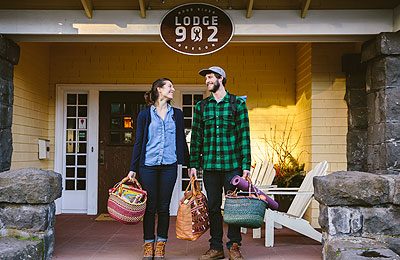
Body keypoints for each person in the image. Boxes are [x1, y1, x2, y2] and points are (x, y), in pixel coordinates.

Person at [189, 66, 251, 260]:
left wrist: (246, 165)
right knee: (213, 207)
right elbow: (196, 137)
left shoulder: (237, 104)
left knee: (234, 207)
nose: (207, 81)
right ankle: (216, 247)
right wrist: (193, 164)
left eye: (210, 77)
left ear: (221, 79)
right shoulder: (202, 107)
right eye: (206, 78)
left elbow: (244, 136)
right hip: (210, 166)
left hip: (232, 165)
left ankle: (234, 246)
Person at [127, 78, 189, 260]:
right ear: (159, 90)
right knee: (150, 207)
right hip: (148, 166)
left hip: (169, 166)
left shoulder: (177, 114)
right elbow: (139, 142)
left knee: (164, 207)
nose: (173, 89)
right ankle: (148, 244)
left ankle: (161, 244)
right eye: (169, 86)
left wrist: (189, 165)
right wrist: (133, 168)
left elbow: (181, 141)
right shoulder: (145, 115)